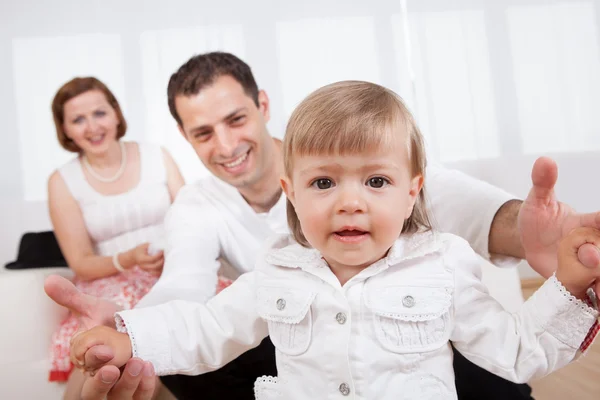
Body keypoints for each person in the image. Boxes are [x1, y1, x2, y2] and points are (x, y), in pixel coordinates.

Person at [44, 53, 600, 400]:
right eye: (324, 184)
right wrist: (129, 331)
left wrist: (570, 283)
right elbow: (201, 321)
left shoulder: (443, 262)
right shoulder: (273, 266)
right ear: (294, 191)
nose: (349, 203)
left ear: (413, 191)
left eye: (376, 184)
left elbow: (520, 345)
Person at [47, 77, 185, 399]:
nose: (92, 127)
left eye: (99, 113)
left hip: (170, 269)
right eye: (78, 120)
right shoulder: (62, 181)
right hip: (109, 280)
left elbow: (192, 220)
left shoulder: (157, 155)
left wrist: (176, 257)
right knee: (112, 331)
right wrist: (128, 259)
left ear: (116, 115)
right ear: (65, 129)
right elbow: (80, 261)